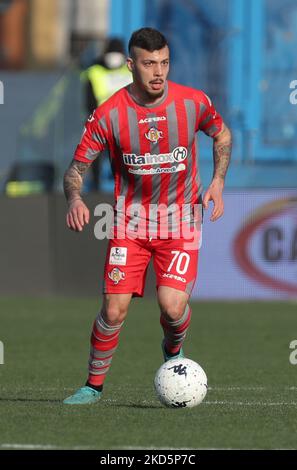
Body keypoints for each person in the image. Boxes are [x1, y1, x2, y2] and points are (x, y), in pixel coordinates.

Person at [63, 27, 232, 405]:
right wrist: (74, 197)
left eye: (164, 63)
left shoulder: (192, 103)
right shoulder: (109, 114)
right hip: (129, 224)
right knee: (114, 308)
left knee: (173, 309)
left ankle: (173, 353)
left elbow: (222, 136)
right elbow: (75, 169)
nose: (158, 72)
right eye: (149, 63)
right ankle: (92, 386)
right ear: (130, 65)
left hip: (182, 221)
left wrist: (218, 182)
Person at [82, 37, 132, 190]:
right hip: (112, 121)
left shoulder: (129, 70)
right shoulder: (95, 71)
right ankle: (99, 186)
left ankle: (116, 186)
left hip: (115, 121)